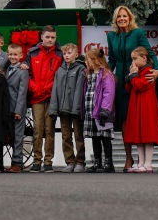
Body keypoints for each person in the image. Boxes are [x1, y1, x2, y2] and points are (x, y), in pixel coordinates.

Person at [105, 5, 158, 171]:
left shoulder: (138, 33)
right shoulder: (112, 36)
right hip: (120, 81)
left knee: (136, 117)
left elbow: (149, 53)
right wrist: (105, 74)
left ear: (130, 18)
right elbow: (112, 59)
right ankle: (129, 157)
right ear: (115, 19)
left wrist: (157, 70)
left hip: (136, 79)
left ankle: (142, 160)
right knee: (123, 120)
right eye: (119, 16)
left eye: (125, 16)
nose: (122, 19)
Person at [25, 25, 63, 172]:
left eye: (53, 37)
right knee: (37, 130)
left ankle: (48, 162)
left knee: (50, 130)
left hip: (52, 98)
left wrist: (51, 89)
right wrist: (35, 88)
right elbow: (26, 74)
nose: (50, 40)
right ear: (42, 37)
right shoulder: (32, 53)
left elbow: (60, 76)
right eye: (47, 37)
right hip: (37, 98)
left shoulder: (60, 54)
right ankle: (36, 161)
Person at [123, 47, 158, 172]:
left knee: (148, 135)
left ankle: (148, 164)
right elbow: (128, 88)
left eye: (135, 58)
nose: (133, 62)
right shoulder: (138, 71)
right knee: (139, 136)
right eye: (132, 59)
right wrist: (130, 75)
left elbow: (140, 85)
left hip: (147, 107)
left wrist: (133, 75)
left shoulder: (149, 71)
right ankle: (140, 163)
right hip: (137, 106)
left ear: (144, 58)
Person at [49, 42, 86, 173]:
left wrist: (76, 109)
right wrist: (53, 109)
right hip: (63, 109)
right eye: (64, 53)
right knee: (66, 136)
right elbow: (55, 90)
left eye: (69, 53)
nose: (66, 55)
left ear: (76, 54)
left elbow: (79, 90)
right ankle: (69, 161)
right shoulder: (60, 70)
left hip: (75, 109)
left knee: (78, 135)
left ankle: (80, 162)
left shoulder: (81, 69)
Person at [82, 47, 116, 173]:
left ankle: (109, 162)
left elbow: (109, 92)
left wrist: (105, 109)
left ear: (95, 60)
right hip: (91, 111)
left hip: (102, 112)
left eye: (88, 60)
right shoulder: (89, 74)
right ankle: (97, 162)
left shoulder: (106, 74)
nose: (87, 62)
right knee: (94, 137)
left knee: (105, 137)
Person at [4, 43, 29, 172]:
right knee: (11, 136)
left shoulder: (23, 71)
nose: (12, 56)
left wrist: (19, 110)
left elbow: (22, 92)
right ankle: (14, 162)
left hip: (18, 108)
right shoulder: (7, 69)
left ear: (21, 55)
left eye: (15, 54)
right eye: (10, 54)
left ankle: (18, 163)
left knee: (18, 136)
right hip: (7, 108)